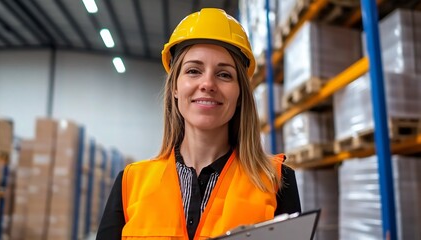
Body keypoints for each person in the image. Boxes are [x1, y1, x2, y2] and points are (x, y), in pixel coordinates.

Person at [96, 8, 301, 240]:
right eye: (193, 71)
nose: (207, 83)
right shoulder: (130, 183)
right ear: (175, 87)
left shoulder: (276, 182)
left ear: (240, 93)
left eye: (224, 74)